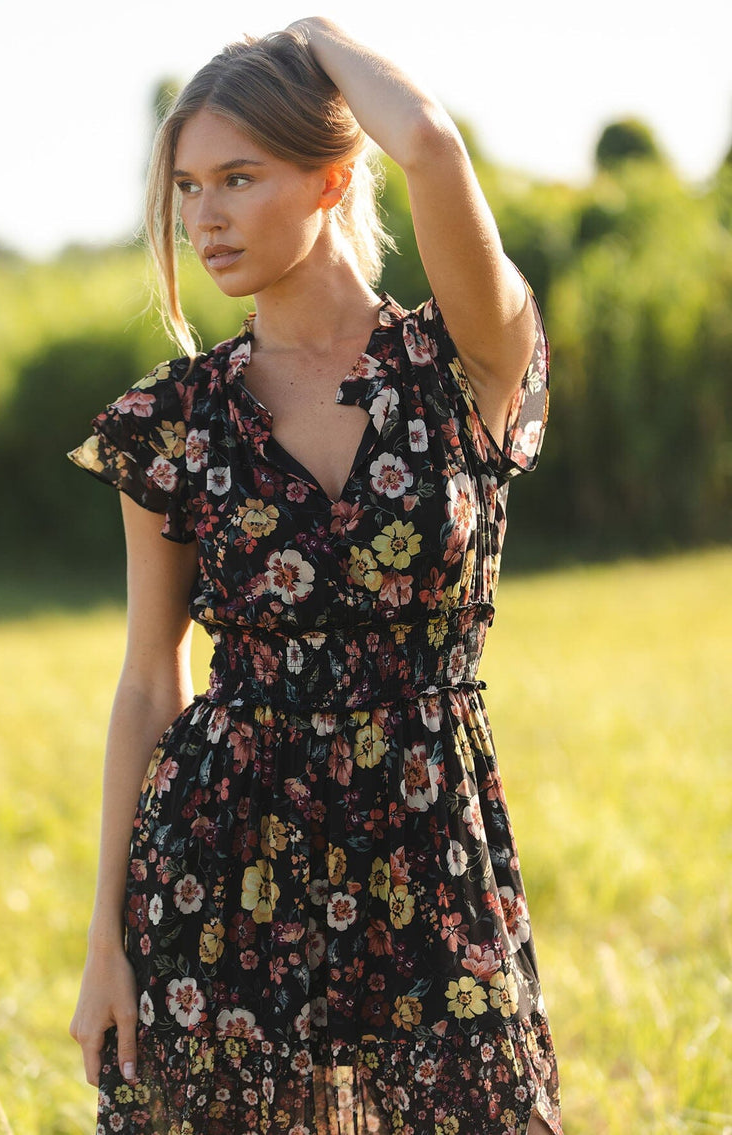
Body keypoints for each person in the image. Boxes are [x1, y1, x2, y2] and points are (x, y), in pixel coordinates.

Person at [67, 16, 560, 1135]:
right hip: (218, 861)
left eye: (239, 178)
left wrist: (310, 37)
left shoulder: (467, 360)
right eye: (187, 187)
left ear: (334, 177)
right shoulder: (168, 423)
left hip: (432, 848)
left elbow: (429, 143)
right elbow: (151, 678)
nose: (205, 218)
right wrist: (106, 940)